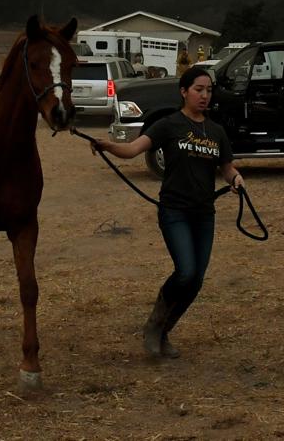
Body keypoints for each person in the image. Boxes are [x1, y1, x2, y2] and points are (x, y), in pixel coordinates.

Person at [90, 65, 243, 359]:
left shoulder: (216, 131)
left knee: (196, 281)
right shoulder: (168, 125)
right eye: (198, 90)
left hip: (204, 214)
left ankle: (163, 332)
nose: (204, 96)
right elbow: (133, 150)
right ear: (184, 91)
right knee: (185, 272)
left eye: (209, 90)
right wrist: (108, 145)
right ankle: (154, 324)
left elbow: (227, 168)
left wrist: (236, 179)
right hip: (175, 212)